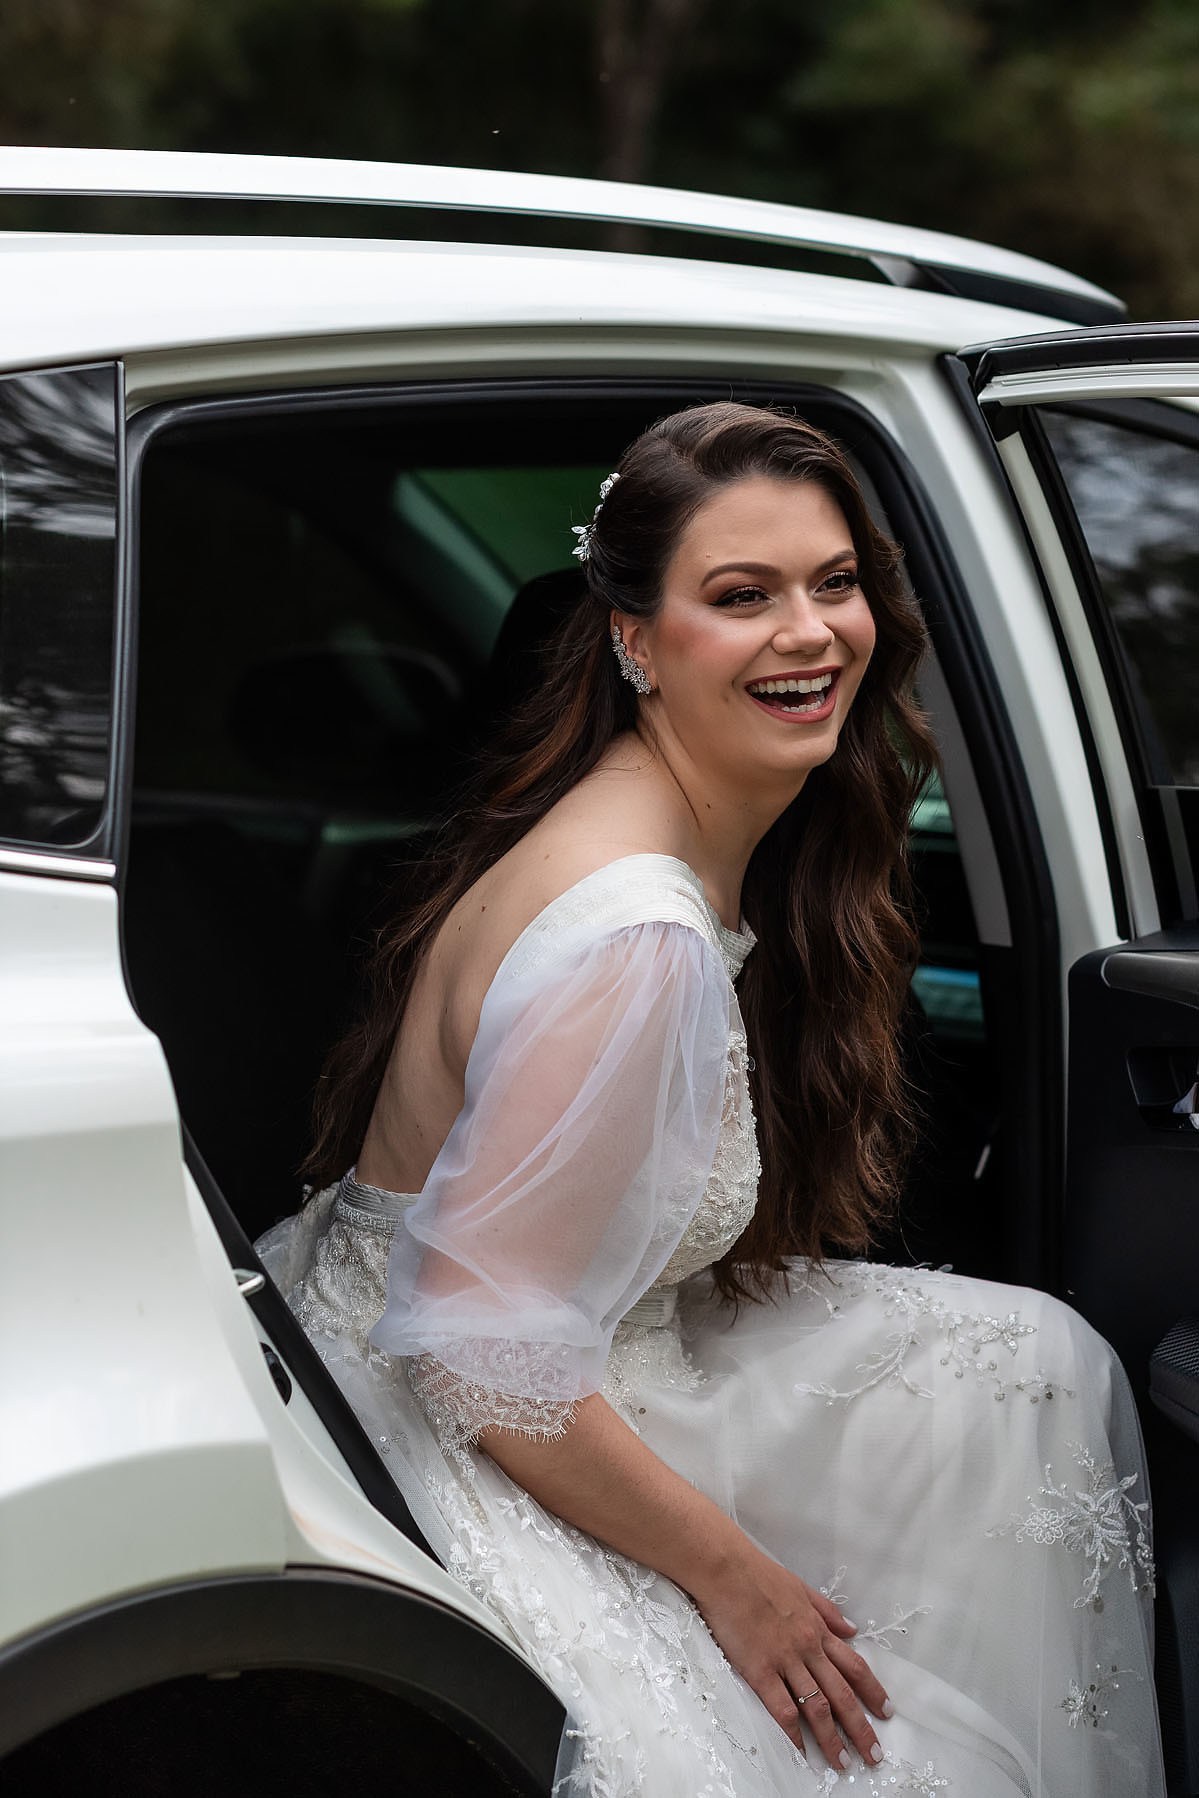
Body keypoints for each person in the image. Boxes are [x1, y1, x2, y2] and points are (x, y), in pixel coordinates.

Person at [257, 403, 1164, 1795]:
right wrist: (740, 1580)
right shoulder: (638, 931)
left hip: (536, 1334)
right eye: (741, 597)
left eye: (835, 582)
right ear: (634, 639)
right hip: (470, 1409)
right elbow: (477, 1351)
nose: (808, 633)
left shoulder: (637, 810)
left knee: (1033, 1369)